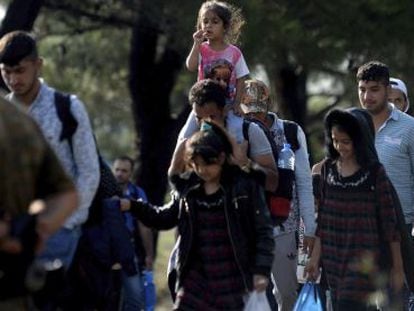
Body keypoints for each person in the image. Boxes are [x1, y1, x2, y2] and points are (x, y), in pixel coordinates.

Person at [121, 121, 274, 310]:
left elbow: (263, 231)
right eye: (196, 165)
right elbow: (164, 217)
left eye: (208, 164)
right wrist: (132, 206)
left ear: (221, 158)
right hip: (195, 279)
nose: (202, 170)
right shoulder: (188, 191)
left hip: (231, 279)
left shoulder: (242, 187)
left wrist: (261, 270)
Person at [0, 30, 99, 270]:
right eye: (6, 72)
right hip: (8, 234)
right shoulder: (3, 115)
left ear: (38, 65)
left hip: (57, 232)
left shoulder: (67, 107)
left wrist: (65, 222)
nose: (13, 80)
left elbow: (88, 171)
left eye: (20, 71)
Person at [306, 108, 404, 310]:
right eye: (335, 140)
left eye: (345, 141)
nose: (339, 146)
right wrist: (315, 260)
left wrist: (398, 267)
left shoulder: (374, 174)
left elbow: (390, 223)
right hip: (334, 260)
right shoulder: (327, 171)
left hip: (363, 261)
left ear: (357, 141)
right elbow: (323, 220)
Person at [240, 79, 316, 311]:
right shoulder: (237, 129)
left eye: (259, 109)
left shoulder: (290, 131)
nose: (255, 116)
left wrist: (310, 228)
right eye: (249, 108)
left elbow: (303, 181)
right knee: (248, 293)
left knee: (287, 292)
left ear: (269, 103)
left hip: (284, 225)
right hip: (246, 226)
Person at [0, 96, 78, 309]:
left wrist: (28, 228)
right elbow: (66, 196)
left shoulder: (15, 119)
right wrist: (35, 228)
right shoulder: (15, 117)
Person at [357, 61, 414, 310]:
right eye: (362, 89)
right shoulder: (351, 125)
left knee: (393, 301)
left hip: (400, 228)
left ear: (386, 91)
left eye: (374, 89)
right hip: (359, 227)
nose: (367, 96)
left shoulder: (409, 128)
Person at [178, 79, 278, 192]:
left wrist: (245, 164)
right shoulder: (191, 136)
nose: (204, 124)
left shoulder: (248, 132)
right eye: (199, 118)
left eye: (211, 117)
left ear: (224, 110)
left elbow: (273, 183)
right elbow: (178, 181)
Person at [182, 0, 249, 138]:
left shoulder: (234, 53)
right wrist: (196, 44)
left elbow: (241, 78)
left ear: (225, 26)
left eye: (215, 22)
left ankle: (239, 159)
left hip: (227, 105)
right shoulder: (201, 49)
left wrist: (237, 103)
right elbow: (191, 66)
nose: (208, 26)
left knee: (236, 131)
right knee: (185, 136)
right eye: (205, 21)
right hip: (202, 105)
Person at [112, 155, 154, 311]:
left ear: (130, 173)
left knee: (135, 299)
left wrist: (149, 255)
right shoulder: (103, 191)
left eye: (124, 171)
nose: (119, 174)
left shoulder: (137, 193)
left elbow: (144, 225)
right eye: (117, 170)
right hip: (106, 251)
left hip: (130, 251)